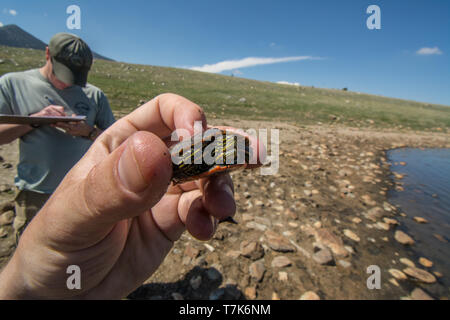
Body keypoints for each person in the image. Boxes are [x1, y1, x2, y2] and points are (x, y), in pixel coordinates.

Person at [0, 93, 263, 299]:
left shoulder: (94, 98)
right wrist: (25, 286)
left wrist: (26, 288)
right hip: (36, 189)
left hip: (172, 173)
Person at [0, 33, 116, 237]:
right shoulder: (13, 84)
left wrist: (89, 132)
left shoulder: (93, 95)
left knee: (77, 249)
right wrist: (34, 120)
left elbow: (115, 139)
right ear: (47, 54)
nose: (67, 83)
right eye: (63, 74)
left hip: (81, 191)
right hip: (35, 194)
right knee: (31, 255)